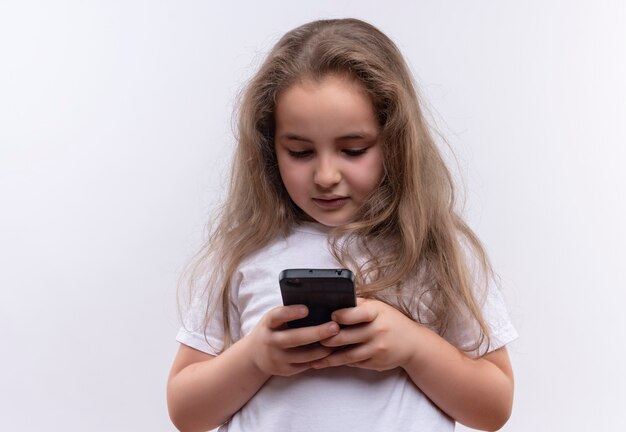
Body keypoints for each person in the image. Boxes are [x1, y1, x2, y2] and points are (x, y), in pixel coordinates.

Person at [167, 18, 518, 432]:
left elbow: (494, 407)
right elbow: (186, 413)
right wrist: (255, 357)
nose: (326, 175)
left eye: (353, 149)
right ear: (269, 147)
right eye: (300, 152)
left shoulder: (434, 248)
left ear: (395, 140)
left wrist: (414, 348)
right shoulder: (243, 252)